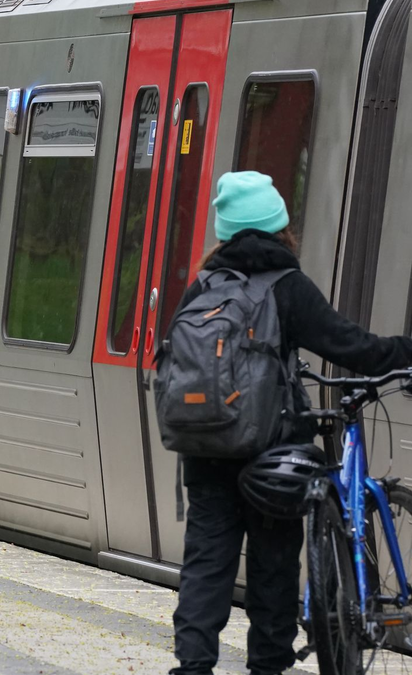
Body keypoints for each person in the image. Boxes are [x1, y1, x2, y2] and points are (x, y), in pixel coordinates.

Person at [169, 171, 412, 675]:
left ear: (226, 230)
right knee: (273, 568)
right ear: (280, 226)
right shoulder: (288, 286)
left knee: (205, 568)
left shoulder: (203, 287)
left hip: (206, 451)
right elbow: (354, 347)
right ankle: (268, 667)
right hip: (271, 458)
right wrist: (405, 352)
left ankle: (192, 668)